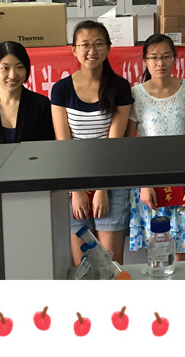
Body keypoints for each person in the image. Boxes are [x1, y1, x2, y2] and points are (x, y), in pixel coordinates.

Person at [51, 20, 133, 266]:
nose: (91, 51)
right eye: (84, 45)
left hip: (110, 181)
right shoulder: (61, 90)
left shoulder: (120, 87)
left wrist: (102, 189)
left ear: (108, 47)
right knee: (84, 267)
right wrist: (77, 191)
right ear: (74, 50)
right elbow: (64, 144)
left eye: (98, 44)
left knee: (111, 265)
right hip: (74, 181)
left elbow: (113, 144)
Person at [125, 34, 185, 261]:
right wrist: (143, 183)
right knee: (157, 251)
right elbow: (130, 144)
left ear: (175, 59)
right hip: (149, 180)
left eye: (166, 56)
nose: (160, 63)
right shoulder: (136, 94)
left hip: (184, 179)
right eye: (154, 57)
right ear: (145, 61)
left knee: (182, 251)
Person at [0, 41, 55, 145]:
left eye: (19, 67)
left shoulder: (41, 105)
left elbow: (47, 147)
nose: (12, 75)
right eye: (5, 68)